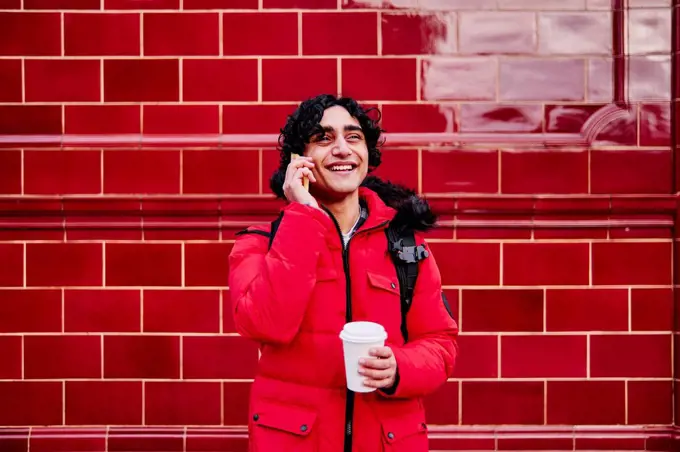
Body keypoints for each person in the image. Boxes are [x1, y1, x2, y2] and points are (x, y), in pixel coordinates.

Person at [228, 94, 459, 452]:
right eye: (323, 138)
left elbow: (441, 344)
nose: (341, 149)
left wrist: (399, 367)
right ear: (298, 160)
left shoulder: (406, 247)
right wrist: (303, 213)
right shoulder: (260, 244)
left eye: (353, 137)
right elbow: (265, 323)